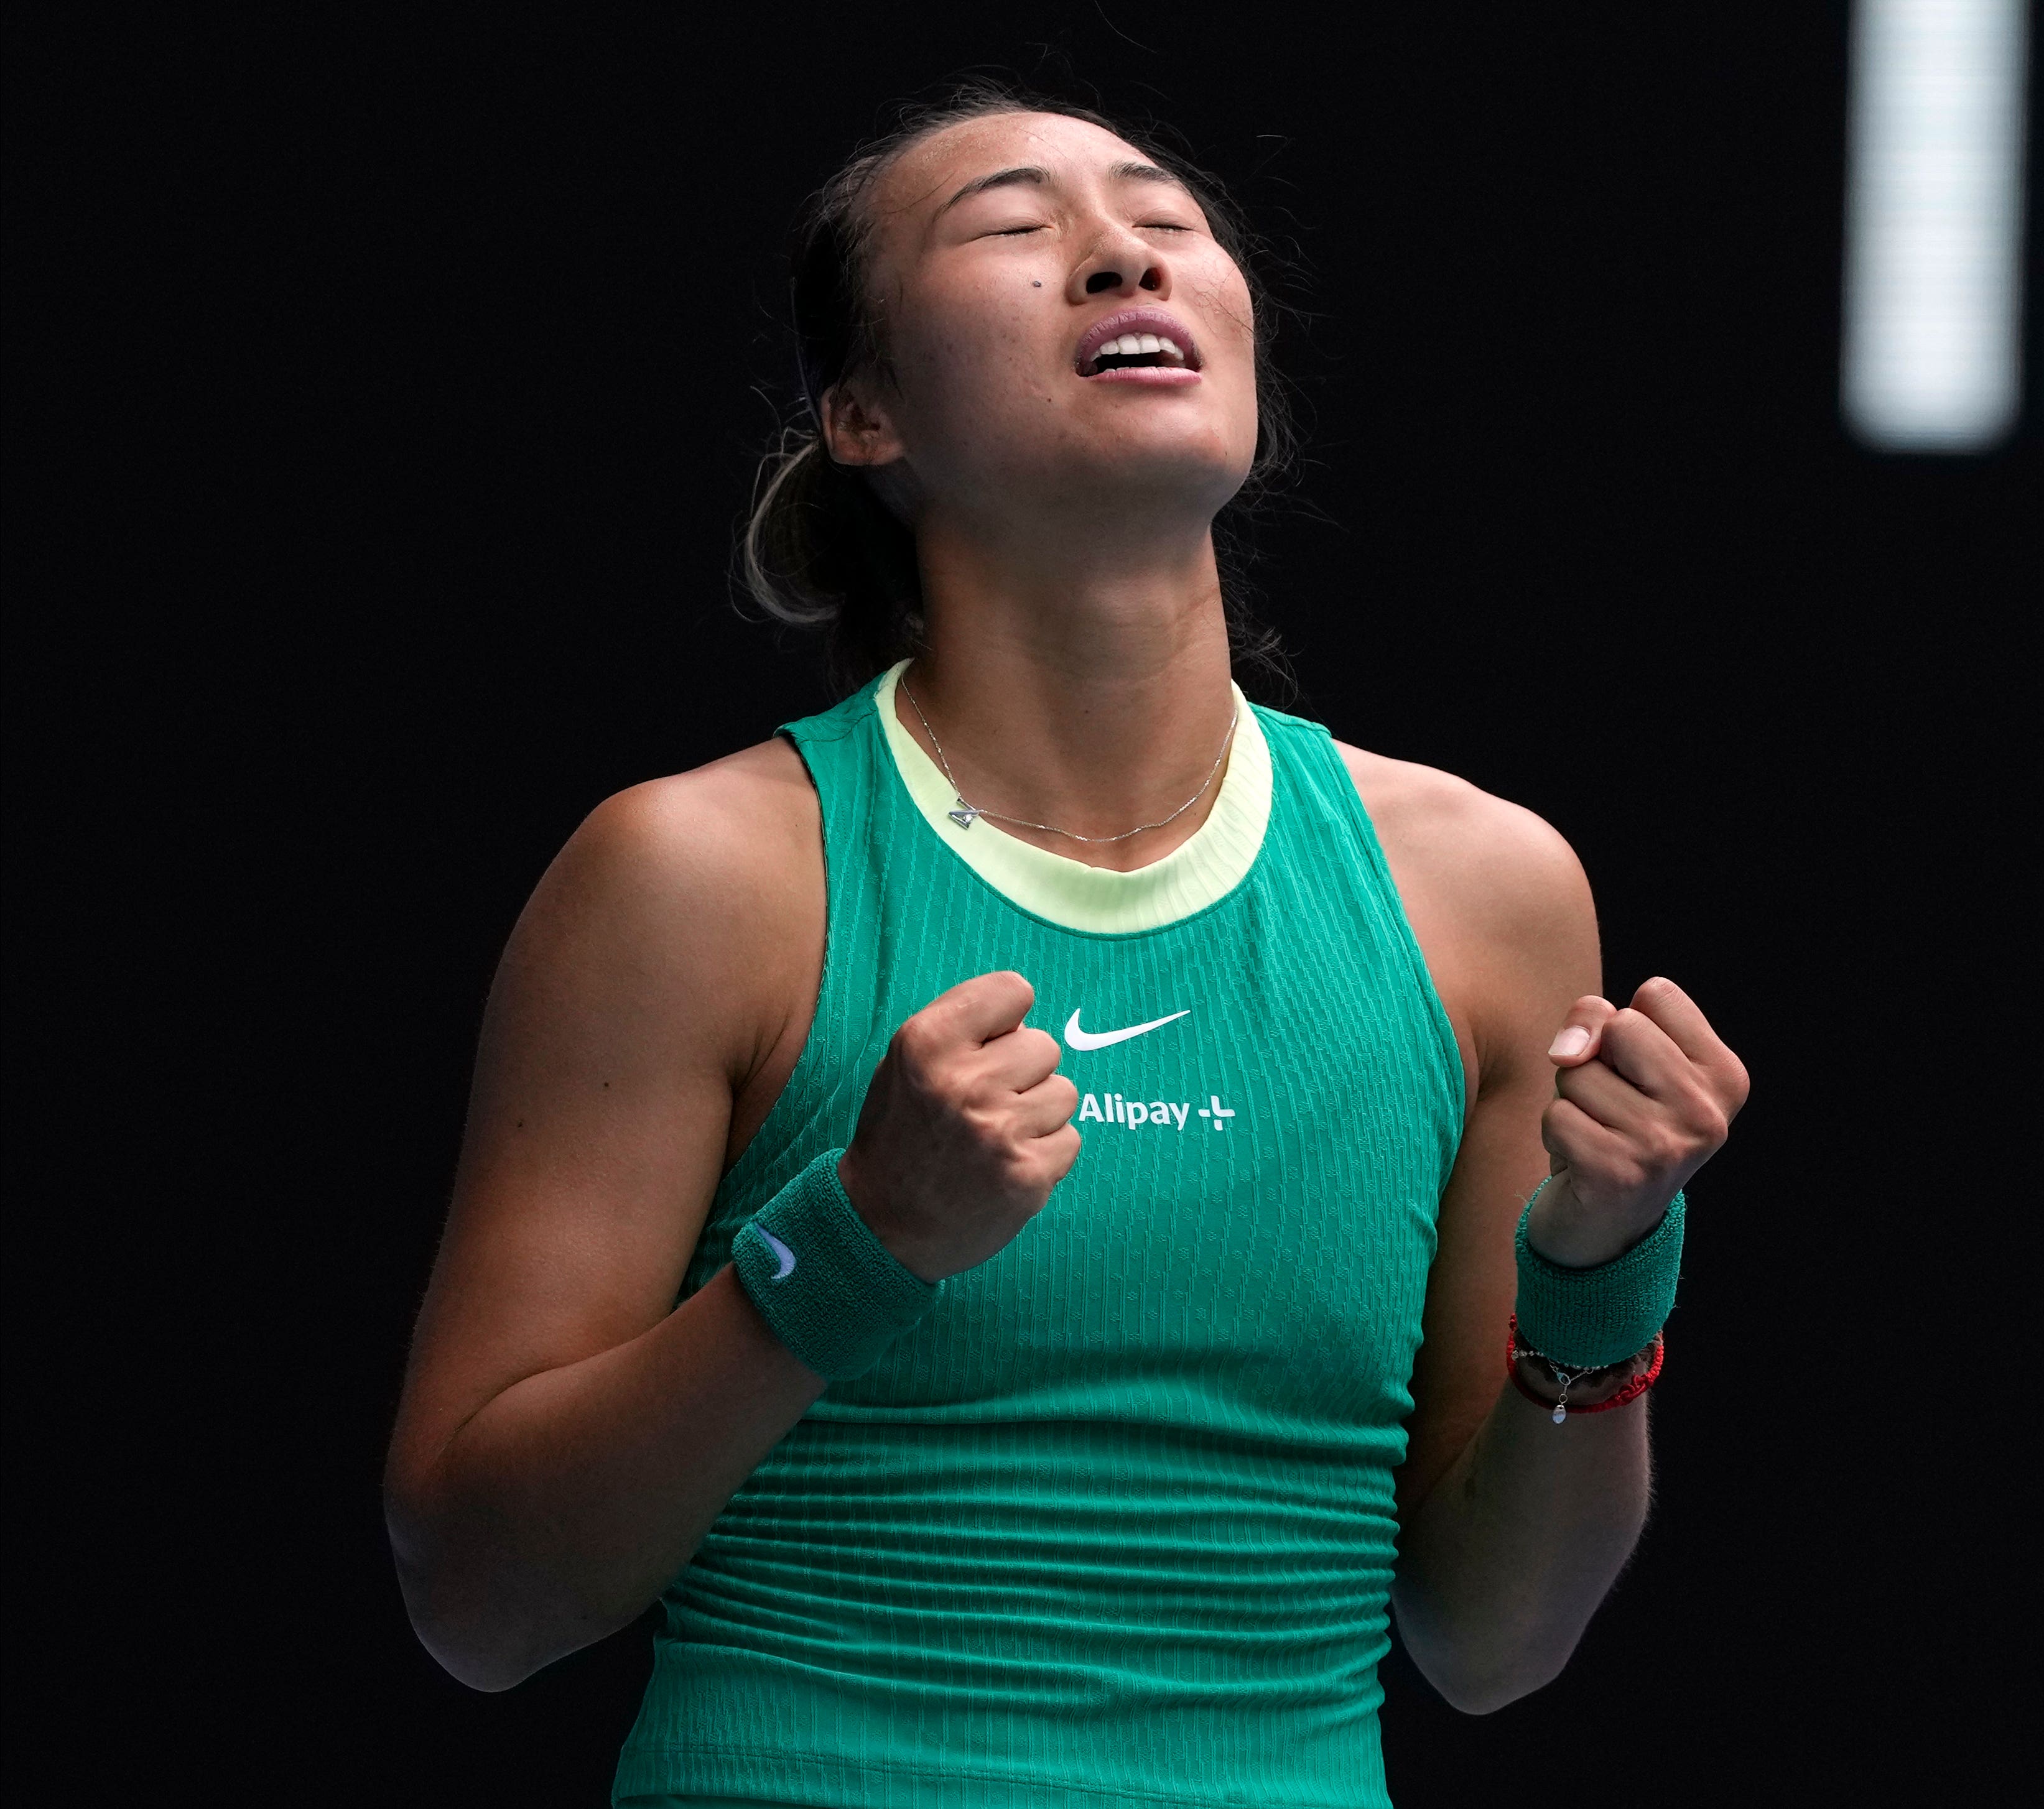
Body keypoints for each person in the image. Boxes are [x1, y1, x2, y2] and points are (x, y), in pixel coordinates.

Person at [383, 86, 1750, 1809]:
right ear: (865, 415)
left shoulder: (1487, 890)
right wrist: (856, 1245)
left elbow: (1495, 1642)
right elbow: (483, 1603)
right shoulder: (695, 875)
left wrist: (1606, 1264)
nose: (1123, 252)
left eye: (1166, 216)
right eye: (1014, 229)